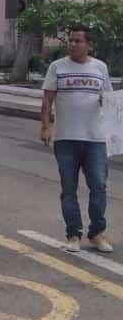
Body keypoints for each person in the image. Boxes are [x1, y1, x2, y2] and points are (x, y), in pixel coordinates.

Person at [41, 24, 113, 253]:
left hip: (95, 139)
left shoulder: (100, 67)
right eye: (70, 40)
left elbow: (109, 101)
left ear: (88, 44)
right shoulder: (57, 67)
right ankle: (73, 234)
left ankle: (97, 232)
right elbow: (47, 100)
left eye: (78, 41)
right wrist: (45, 126)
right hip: (66, 138)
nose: (73, 44)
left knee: (98, 186)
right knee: (69, 188)